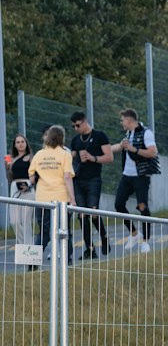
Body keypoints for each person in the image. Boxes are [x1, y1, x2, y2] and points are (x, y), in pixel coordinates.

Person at [110, 109, 158, 254]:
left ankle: (146, 242)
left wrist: (134, 149)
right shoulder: (128, 134)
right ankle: (135, 234)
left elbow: (152, 152)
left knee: (142, 206)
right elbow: (120, 147)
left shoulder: (145, 133)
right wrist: (103, 150)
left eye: (122, 120)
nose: (121, 123)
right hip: (127, 176)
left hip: (141, 175)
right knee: (118, 204)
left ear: (129, 120)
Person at [28, 126, 75, 265]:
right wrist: (72, 199)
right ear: (62, 138)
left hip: (42, 198)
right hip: (61, 198)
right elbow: (67, 177)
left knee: (43, 231)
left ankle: (32, 261)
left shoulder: (39, 154)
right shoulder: (65, 154)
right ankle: (67, 260)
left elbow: (31, 178)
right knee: (64, 229)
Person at [69, 111, 112, 259]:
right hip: (78, 180)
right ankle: (90, 249)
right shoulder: (76, 140)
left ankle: (104, 238)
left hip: (93, 179)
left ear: (85, 121)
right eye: (73, 126)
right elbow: (70, 157)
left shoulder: (100, 136)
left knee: (93, 213)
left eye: (78, 125)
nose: (76, 128)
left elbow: (109, 157)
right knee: (82, 215)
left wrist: (93, 158)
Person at [5, 133, 38, 266]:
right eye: (17, 142)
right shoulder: (11, 159)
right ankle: (26, 251)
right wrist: (7, 167)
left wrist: (29, 185)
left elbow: (35, 174)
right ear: (14, 144)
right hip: (14, 187)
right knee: (14, 221)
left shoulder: (30, 157)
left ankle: (31, 260)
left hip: (28, 188)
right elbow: (10, 178)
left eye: (22, 141)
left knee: (26, 222)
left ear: (26, 143)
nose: (20, 144)